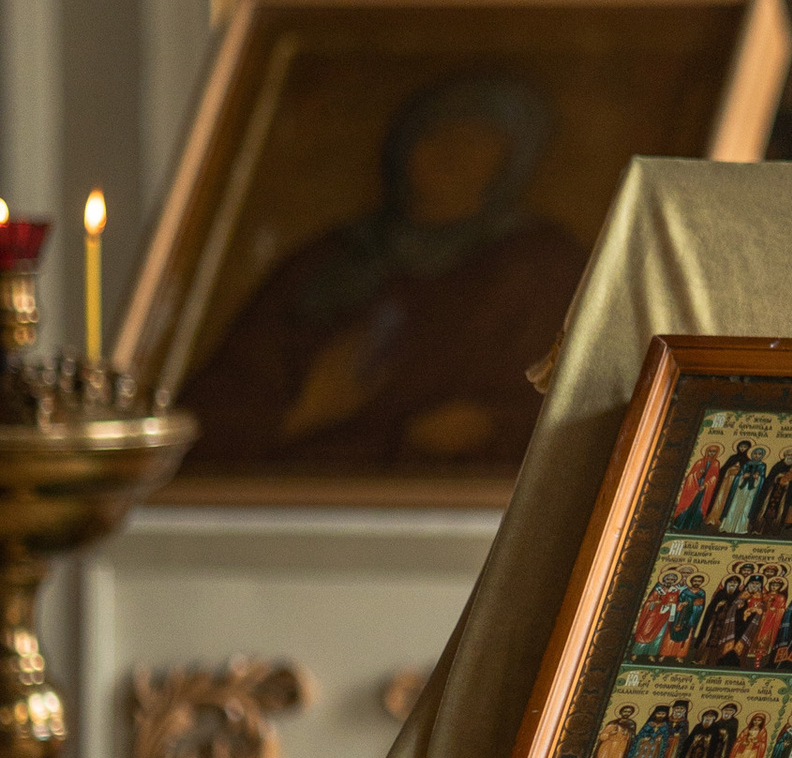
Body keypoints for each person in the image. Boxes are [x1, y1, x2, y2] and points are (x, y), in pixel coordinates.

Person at [180, 73, 587, 476]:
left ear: (510, 159)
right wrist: (300, 415)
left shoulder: (541, 263)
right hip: (305, 490)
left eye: (475, 141)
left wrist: (488, 425)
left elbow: (576, 403)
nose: (450, 153)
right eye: (434, 135)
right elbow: (217, 403)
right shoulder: (330, 259)